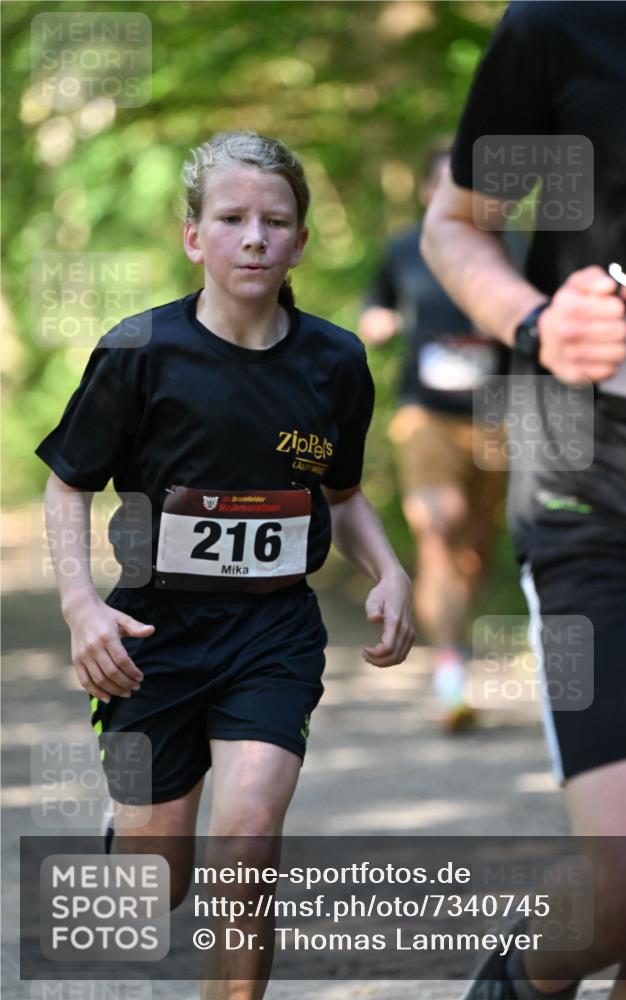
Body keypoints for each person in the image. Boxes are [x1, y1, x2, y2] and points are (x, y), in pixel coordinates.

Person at [36, 129, 414, 1000]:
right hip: (154, 634)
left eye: (274, 221)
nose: (254, 237)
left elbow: (344, 493)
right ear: (192, 236)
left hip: (272, 632)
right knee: (154, 884)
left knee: (246, 846)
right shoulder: (138, 350)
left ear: (300, 243)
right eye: (232, 218)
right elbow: (67, 486)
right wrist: (81, 607)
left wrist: (387, 570)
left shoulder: (335, 361)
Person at [421, 2, 626, 999]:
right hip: (596, 487)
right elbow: (455, 224)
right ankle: (515, 980)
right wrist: (533, 324)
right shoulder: (571, 23)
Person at [359, 143, 510, 731]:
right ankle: (451, 679)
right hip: (426, 414)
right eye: (445, 184)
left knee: (473, 553)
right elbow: (375, 307)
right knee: (438, 525)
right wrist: (379, 323)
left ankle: (458, 651)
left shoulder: (510, 247)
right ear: (427, 192)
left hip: (498, 418)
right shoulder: (403, 249)